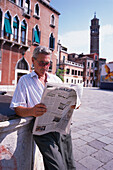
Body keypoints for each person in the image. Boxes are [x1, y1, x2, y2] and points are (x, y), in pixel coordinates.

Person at [10, 46, 76, 170]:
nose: (45, 67)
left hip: (61, 125)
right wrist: (32, 111)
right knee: (57, 166)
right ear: (33, 61)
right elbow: (17, 108)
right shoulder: (24, 81)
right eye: (41, 63)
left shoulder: (55, 79)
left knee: (69, 163)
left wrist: (72, 104)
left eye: (47, 64)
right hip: (42, 129)